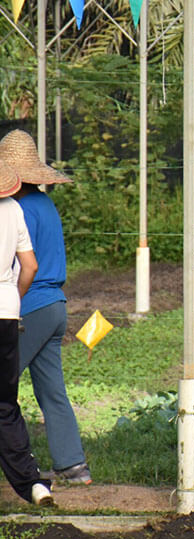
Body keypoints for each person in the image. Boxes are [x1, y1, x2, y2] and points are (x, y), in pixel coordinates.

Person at [0, 130, 89, 485]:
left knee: (3, 388)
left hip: (30, 305)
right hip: (55, 306)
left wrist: (13, 301)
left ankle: (24, 472)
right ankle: (73, 465)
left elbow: (21, 264)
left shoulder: (16, 209)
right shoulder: (46, 204)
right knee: (52, 390)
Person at [0, 162, 53, 507]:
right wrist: (13, 299)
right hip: (6, 310)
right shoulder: (13, 208)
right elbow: (30, 265)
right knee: (5, 405)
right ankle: (33, 485)